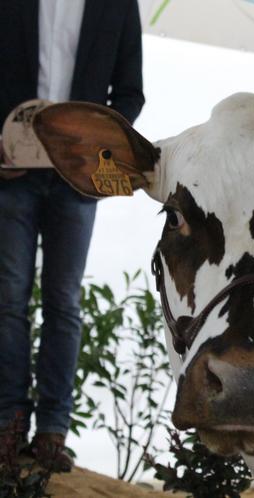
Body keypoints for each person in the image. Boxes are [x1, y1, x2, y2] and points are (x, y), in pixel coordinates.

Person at [0, 0, 144, 472]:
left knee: (63, 301)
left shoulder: (118, 5)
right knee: (8, 298)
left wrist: (94, 150)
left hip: (76, 180)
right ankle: (9, 424)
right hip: (12, 173)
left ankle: (51, 434)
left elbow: (130, 93)